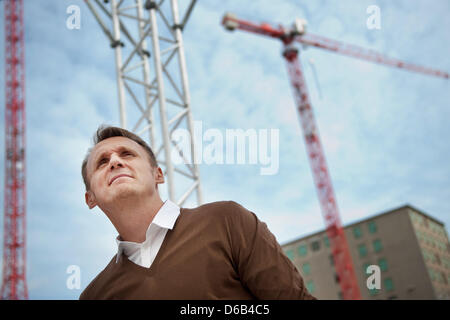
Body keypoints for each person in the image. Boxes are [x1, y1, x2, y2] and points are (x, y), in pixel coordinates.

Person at [79, 125, 316, 300]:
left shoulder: (227, 221)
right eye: (102, 162)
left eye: (127, 154)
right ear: (90, 198)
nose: (115, 162)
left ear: (157, 175)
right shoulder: (94, 296)